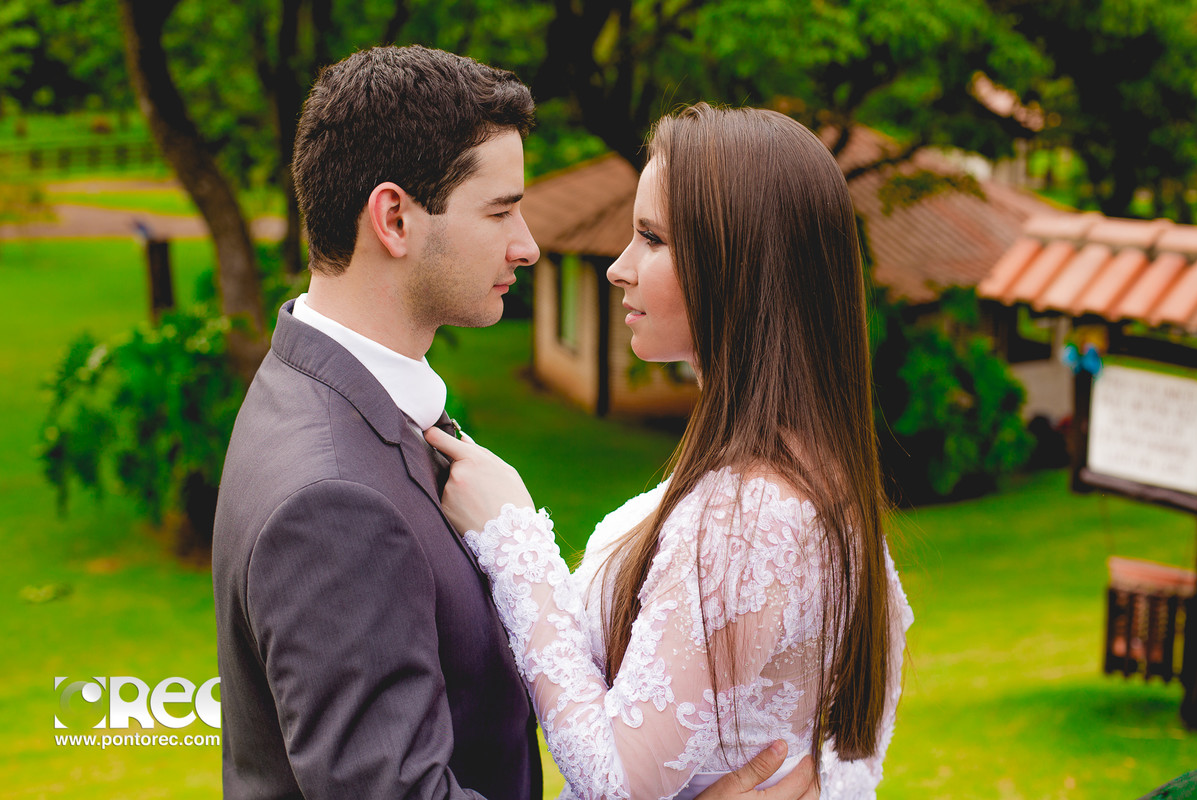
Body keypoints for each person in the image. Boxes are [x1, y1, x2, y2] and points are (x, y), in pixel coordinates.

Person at [213, 46, 812, 800]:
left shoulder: (330, 397)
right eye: (501, 211)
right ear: (394, 217)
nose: (528, 246)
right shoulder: (332, 500)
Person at [427, 103, 914, 800]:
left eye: (652, 239)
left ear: (739, 263)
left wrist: (512, 538)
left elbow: (615, 778)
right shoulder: (821, 482)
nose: (618, 269)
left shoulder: (750, 520)